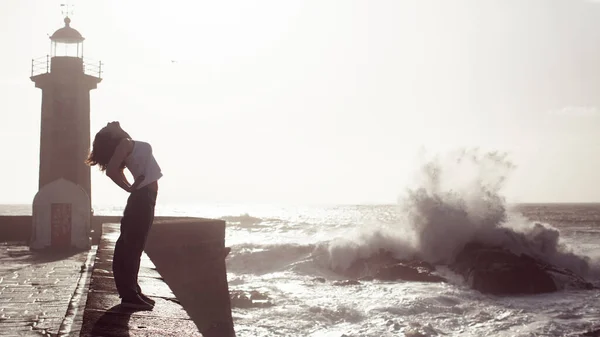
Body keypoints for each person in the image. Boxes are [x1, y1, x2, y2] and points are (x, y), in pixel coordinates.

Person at [86, 121, 162, 310]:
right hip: (142, 197)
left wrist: (131, 188)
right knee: (132, 246)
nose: (111, 122)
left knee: (135, 245)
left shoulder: (127, 143)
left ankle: (134, 290)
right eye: (108, 126)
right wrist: (129, 188)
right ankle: (129, 294)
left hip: (145, 197)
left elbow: (115, 169)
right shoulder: (125, 143)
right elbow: (111, 171)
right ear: (112, 135)